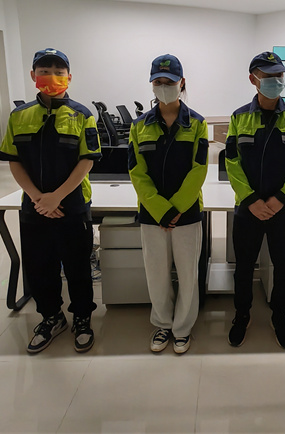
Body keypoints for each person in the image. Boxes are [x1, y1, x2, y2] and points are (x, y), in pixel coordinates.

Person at [0, 48, 101, 353]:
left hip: (72, 203)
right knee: (40, 266)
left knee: (77, 266)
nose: (51, 77)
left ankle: (82, 317)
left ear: (69, 77)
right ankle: (51, 317)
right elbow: (14, 160)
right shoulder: (19, 116)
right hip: (35, 206)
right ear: (33, 75)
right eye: (44, 71)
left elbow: (86, 160)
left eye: (58, 72)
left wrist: (57, 197)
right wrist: (37, 198)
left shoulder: (82, 115)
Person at [225, 51, 285, 349]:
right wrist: (251, 199)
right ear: (254, 79)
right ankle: (241, 314)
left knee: (283, 267)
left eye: (279, 76)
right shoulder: (239, 117)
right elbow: (232, 161)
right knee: (244, 267)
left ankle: (279, 316)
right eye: (268, 76)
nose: (276, 81)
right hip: (247, 208)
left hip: (283, 209)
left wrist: (282, 199)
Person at [128, 54, 208, 354]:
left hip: (187, 213)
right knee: (157, 274)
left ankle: (183, 328)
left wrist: (175, 209)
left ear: (181, 83)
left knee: (188, 275)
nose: (163, 87)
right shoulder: (139, 126)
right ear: (151, 84)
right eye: (158, 82)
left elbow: (199, 169)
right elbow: (137, 172)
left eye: (169, 81)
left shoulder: (197, 123)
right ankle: (162, 324)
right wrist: (161, 210)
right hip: (152, 214)